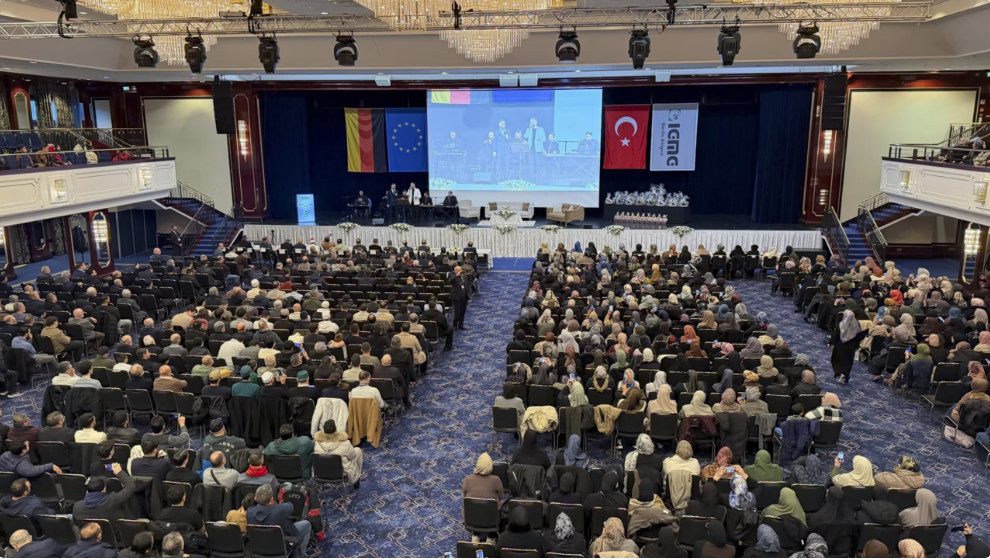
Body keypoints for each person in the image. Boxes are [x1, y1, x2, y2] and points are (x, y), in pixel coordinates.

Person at [247, 484, 312, 558]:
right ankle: (298, 556)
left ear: (255, 499)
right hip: (281, 546)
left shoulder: (249, 512)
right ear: (271, 499)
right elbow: (290, 506)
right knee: (307, 524)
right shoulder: (280, 510)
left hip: (259, 547)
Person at [830, 309, 862, 384]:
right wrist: (856, 346)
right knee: (848, 362)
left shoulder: (841, 325)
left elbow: (836, 334)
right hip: (851, 347)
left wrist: (831, 342)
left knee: (837, 360)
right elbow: (859, 337)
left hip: (840, 346)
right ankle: (845, 375)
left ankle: (839, 373)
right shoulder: (856, 325)